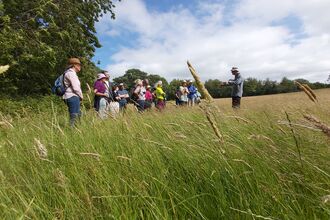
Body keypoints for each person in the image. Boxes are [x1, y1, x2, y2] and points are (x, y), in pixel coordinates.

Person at [63, 58, 83, 127]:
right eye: (79, 65)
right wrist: (81, 96)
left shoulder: (70, 73)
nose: (80, 66)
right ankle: (72, 131)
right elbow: (76, 88)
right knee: (74, 115)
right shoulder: (71, 73)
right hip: (72, 96)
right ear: (74, 65)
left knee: (78, 114)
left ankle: (77, 129)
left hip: (71, 96)